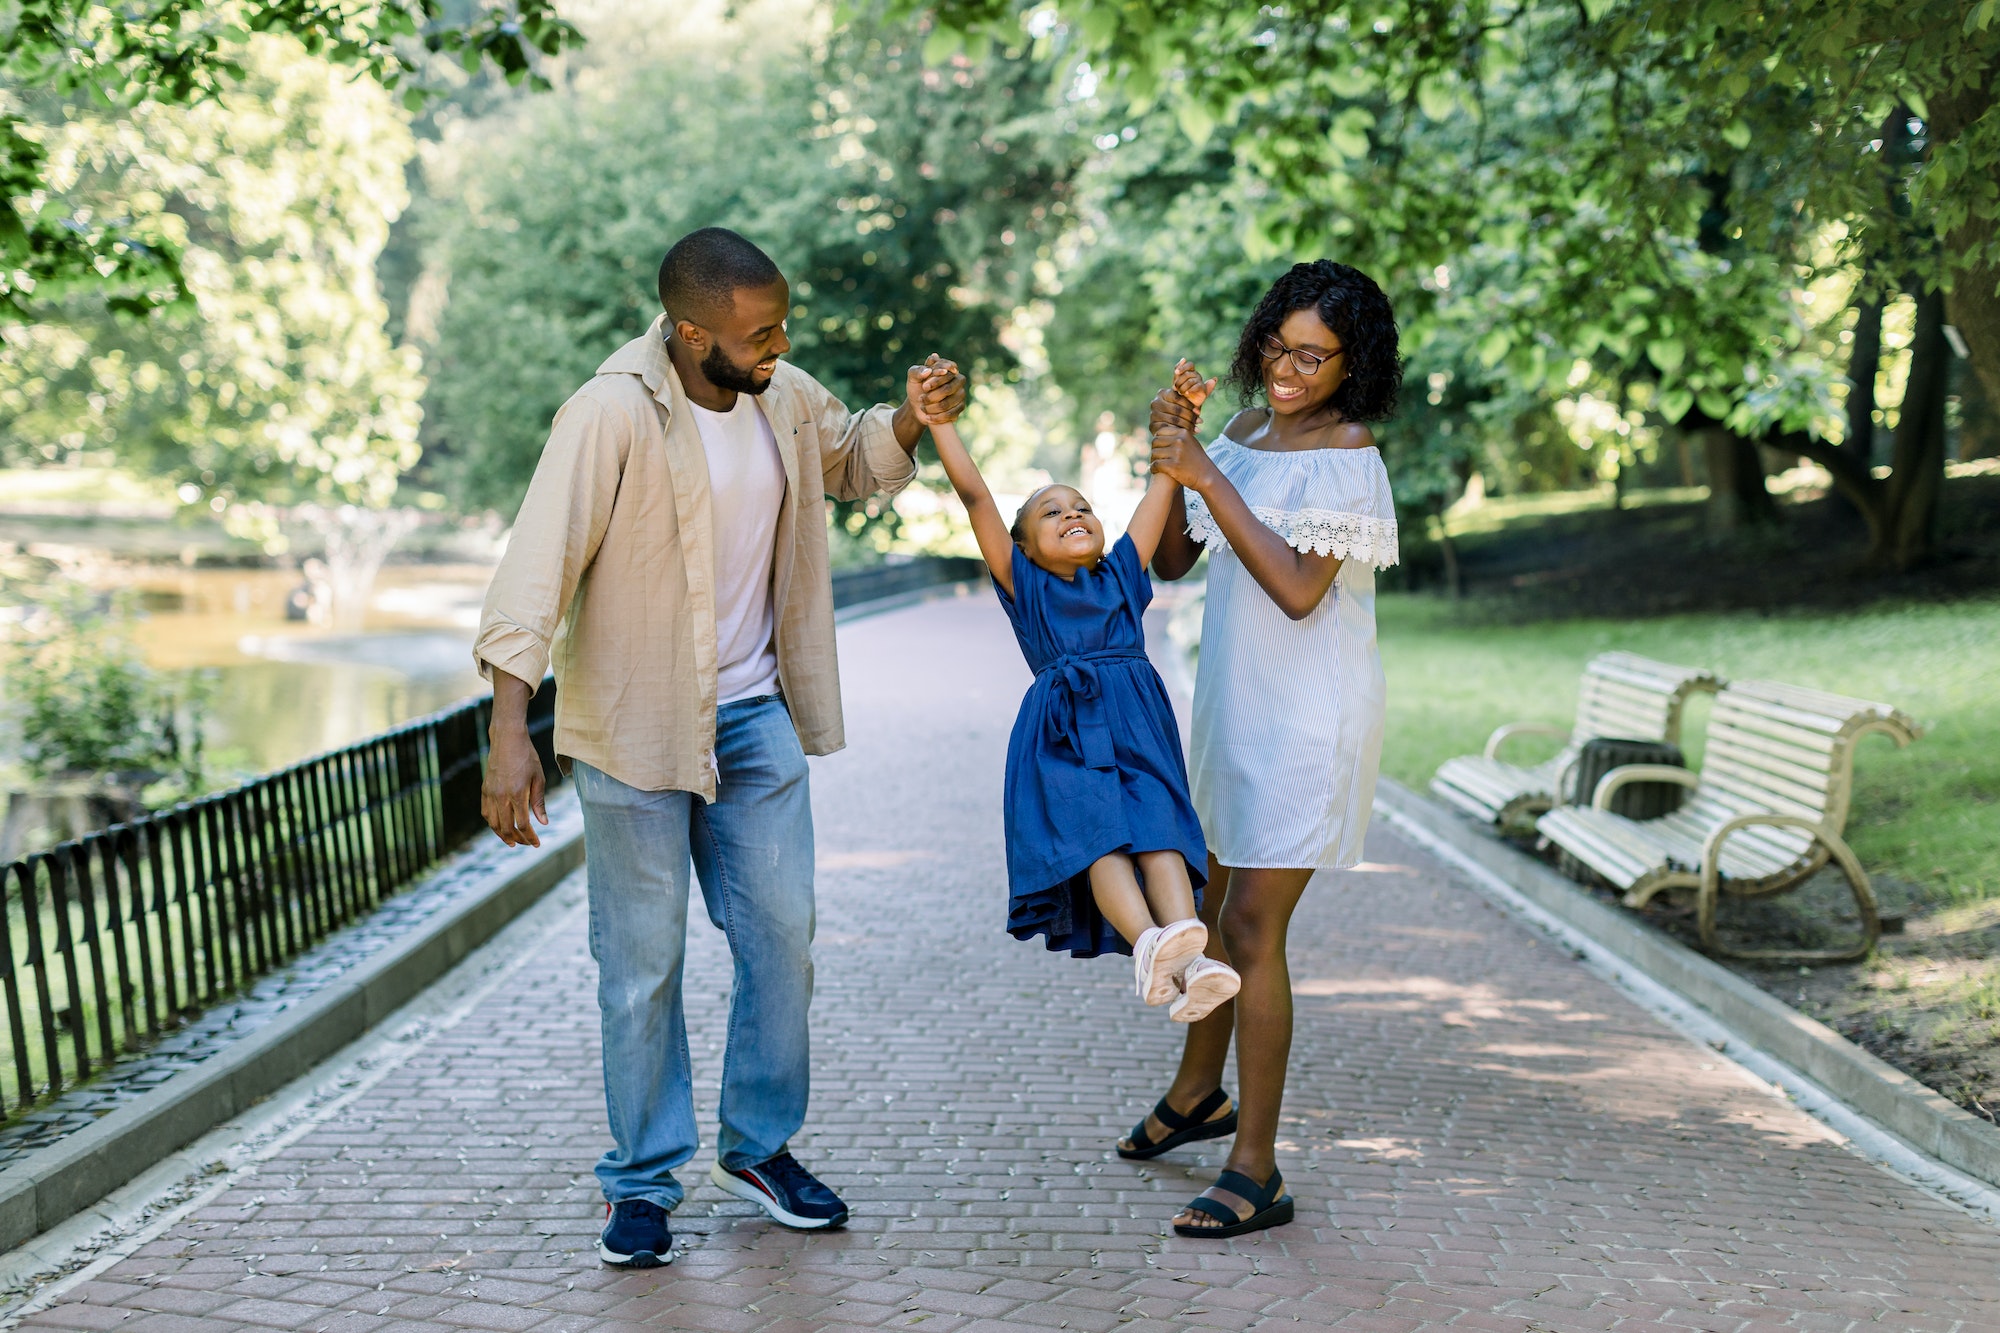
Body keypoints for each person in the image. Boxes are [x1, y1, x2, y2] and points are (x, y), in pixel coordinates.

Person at [473, 227, 966, 1268]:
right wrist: (509, 728)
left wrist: (912, 423)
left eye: (783, 324)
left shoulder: (780, 394)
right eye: (759, 332)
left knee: (781, 938)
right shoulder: (607, 414)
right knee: (641, 966)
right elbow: (534, 572)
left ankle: (760, 1147)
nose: (780, 345)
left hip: (754, 717)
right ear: (692, 333)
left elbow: (850, 459)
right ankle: (642, 1180)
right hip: (633, 728)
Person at [1135, 260, 1403, 1239]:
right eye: (1276, 347)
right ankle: (1195, 1095)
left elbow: (1297, 588)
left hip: (1309, 719)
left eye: (1313, 357)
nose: (1287, 370)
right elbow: (1171, 559)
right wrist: (1172, 454)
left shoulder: (1348, 454)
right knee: (1208, 907)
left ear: (1349, 368)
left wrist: (1202, 472)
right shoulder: (1241, 435)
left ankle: (1255, 1168)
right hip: (1231, 706)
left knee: (1251, 927)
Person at [926, 417, 1239, 1020]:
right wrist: (940, 424)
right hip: (1064, 732)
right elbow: (975, 496)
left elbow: (1161, 485)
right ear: (1021, 546)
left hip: (1139, 726)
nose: (1072, 515)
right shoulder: (1025, 584)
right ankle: (1148, 944)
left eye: (1082, 507)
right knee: (1101, 839)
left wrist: (1178, 423)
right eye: (1050, 513)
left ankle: (1187, 955)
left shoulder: (1122, 572)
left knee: (1160, 832)